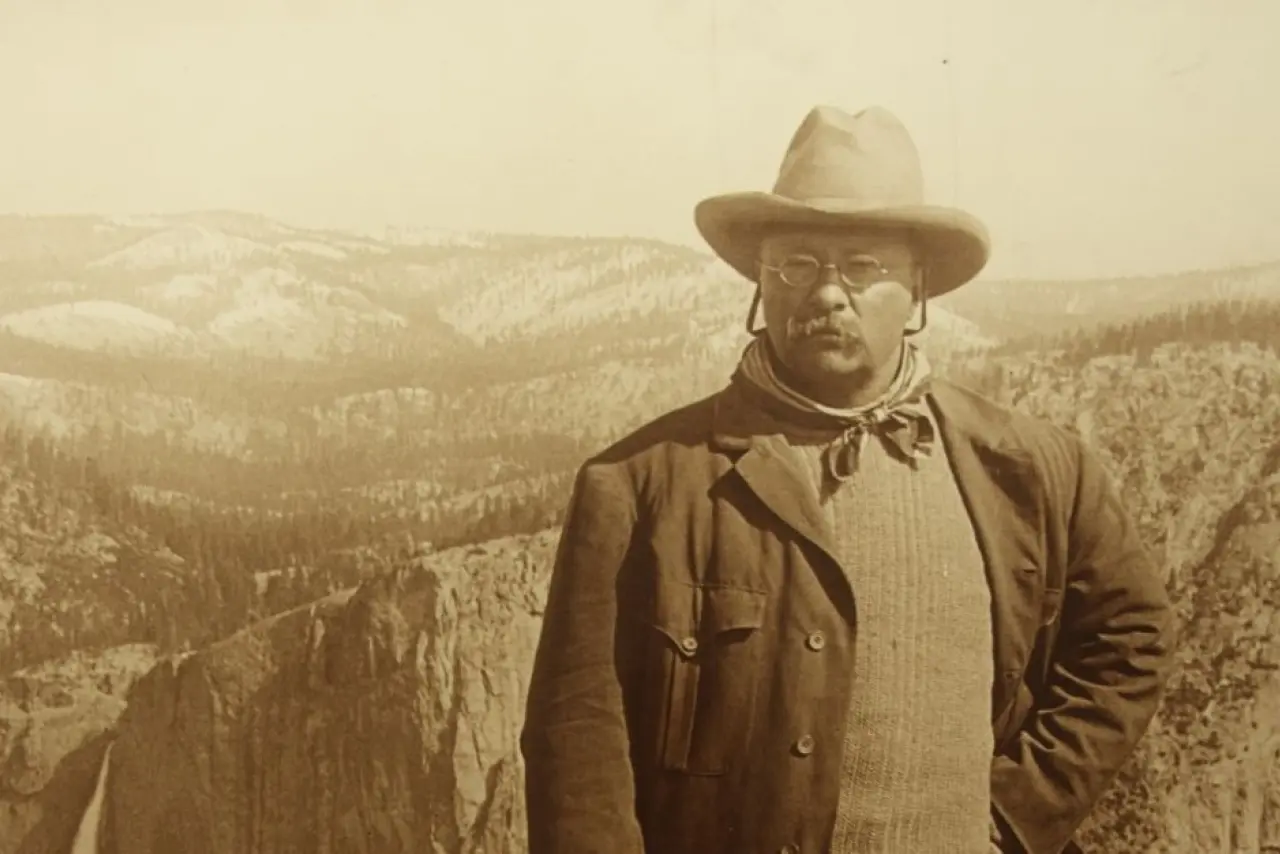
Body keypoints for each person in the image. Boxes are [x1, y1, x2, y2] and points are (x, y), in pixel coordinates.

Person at [519, 104, 1177, 854]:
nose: (827, 293)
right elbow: (576, 743)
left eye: (863, 266)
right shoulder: (637, 486)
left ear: (918, 289)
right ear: (760, 284)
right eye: (797, 264)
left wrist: (1015, 816)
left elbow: (1132, 639)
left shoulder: (1035, 471)